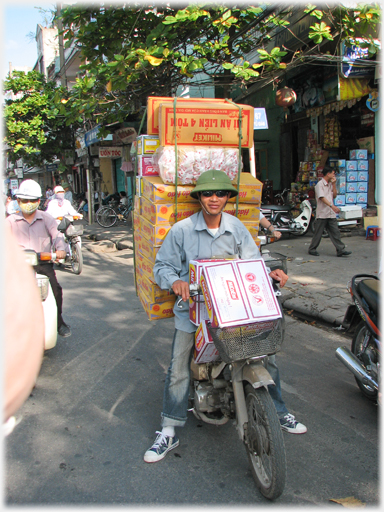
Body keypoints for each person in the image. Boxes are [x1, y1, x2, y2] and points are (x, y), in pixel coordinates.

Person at [144, 170, 307, 464]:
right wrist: (175, 282)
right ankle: (169, 428)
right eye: (208, 194)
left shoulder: (236, 228)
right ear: (199, 198)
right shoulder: (181, 230)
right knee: (178, 366)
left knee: (266, 356)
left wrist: (270, 272)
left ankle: (279, 411)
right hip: (194, 311)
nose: (214, 199)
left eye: (221, 194)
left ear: (228, 198)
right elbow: (161, 267)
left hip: (232, 309)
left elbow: (252, 262)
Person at [5, 179, 72, 338]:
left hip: (43, 264)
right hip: (18, 267)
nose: (29, 203)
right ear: (18, 201)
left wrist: (60, 249)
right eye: (25, 200)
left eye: (33, 200)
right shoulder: (10, 221)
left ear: (38, 201)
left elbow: (57, 235)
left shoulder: (46, 218)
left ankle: (58, 322)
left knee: (56, 291)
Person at [308, 166, 351, 257]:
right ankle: (312, 248)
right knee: (318, 233)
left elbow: (334, 195)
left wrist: (334, 184)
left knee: (335, 232)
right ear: (328, 174)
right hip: (323, 213)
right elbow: (322, 197)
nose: (334, 175)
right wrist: (332, 206)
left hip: (330, 213)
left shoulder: (330, 184)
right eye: (333, 173)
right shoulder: (320, 185)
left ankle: (340, 249)